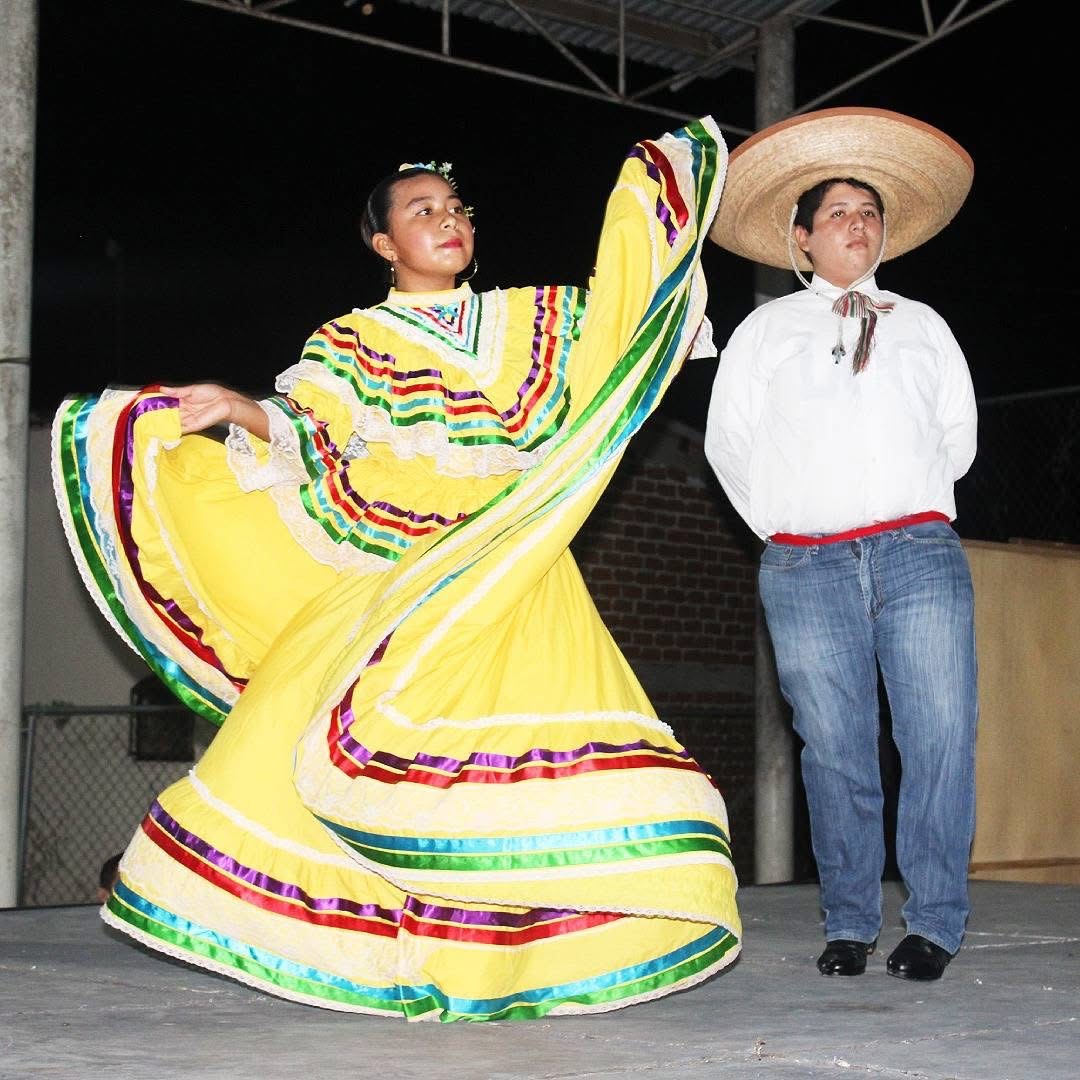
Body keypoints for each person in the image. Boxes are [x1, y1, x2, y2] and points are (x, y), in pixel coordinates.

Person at [52, 119, 741, 1020]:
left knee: (511, 756)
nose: (449, 219)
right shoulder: (354, 338)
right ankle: (385, 942)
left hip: (521, 553)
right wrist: (235, 407)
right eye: (422, 210)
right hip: (410, 561)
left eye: (456, 207)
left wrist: (655, 193)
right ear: (384, 244)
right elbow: (311, 428)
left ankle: (506, 960)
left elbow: (626, 320)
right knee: (360, 737)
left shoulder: (536, 317)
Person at [704, 107, 978, 982]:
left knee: (939, 735)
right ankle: (852, 922)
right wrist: (789, 527)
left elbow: (957, 439)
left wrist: (901, 504)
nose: (856, 225)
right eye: (837, 213)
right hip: (806, 564)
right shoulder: (767, 330)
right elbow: (728, 443)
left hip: (918, 554)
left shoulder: (924, 324)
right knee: (835, 746)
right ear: (802, 237)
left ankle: (933, 923)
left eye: (868, 212)